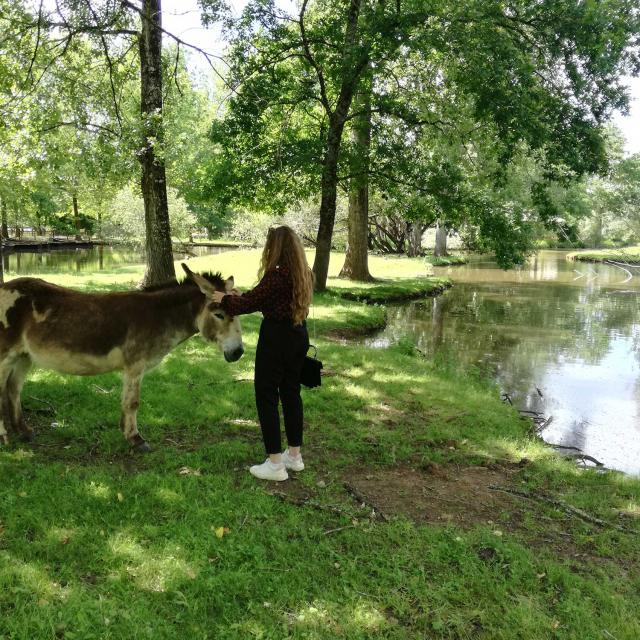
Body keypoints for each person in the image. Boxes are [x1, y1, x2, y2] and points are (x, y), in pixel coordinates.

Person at [211, 226, 313, 481]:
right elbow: (262, 298)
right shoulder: (304, 274)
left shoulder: (276, 275)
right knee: (291, 394)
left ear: (275, 247)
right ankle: (295, 456)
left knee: (266, 395)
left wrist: (223, 298)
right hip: (299, 335)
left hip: (276, 339)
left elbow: (247, 305)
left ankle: (276, 464)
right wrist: (237, 296)